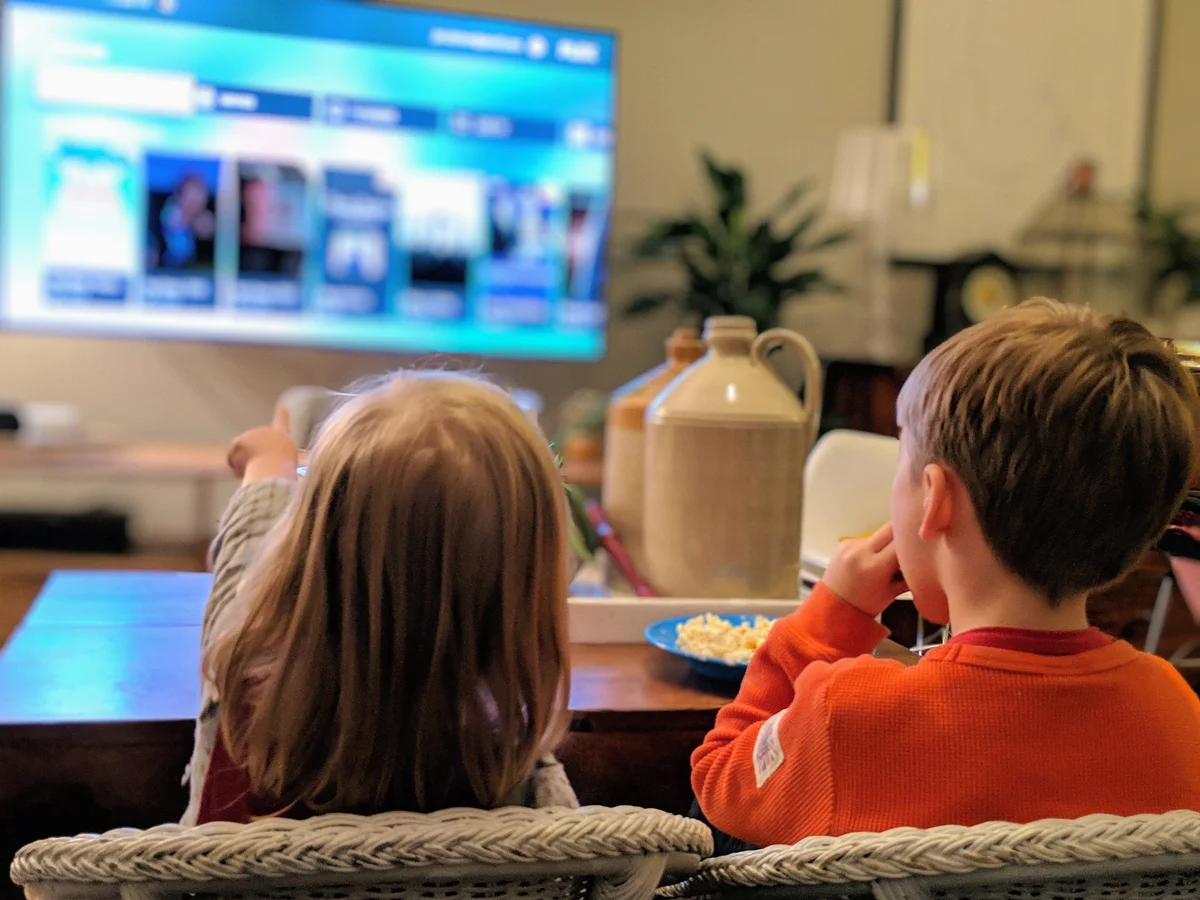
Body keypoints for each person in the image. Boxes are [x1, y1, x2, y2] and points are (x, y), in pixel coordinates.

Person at [692, 298, 1200, 848]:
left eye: (902, 459)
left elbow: (720, 783)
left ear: (935, 499)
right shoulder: (1176, 711)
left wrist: (826, 622)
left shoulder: (848, 716)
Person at [181, 372, 577, 825]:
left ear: (302, 561)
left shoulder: (240, 676)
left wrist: (267, 468)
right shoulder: (517, 766)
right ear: (530, 589)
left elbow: (240, 572)